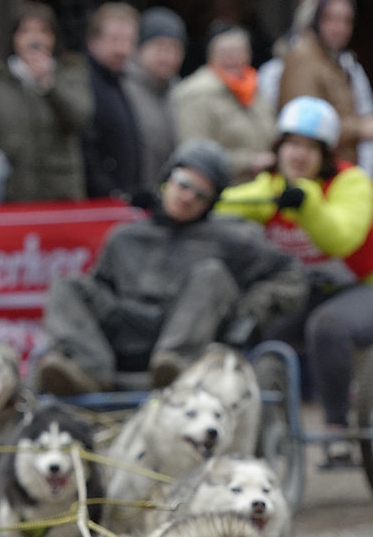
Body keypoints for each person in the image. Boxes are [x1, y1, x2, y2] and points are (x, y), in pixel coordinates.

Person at [216, 97, 373, 463]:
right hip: (314, 289)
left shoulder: (351, 183)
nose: (299, 154)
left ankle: (336, 430)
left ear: (325, 155)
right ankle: (260, 425)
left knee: (327, 326)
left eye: (311, 147)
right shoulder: (270, 188)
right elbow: (221, 203)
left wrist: (304, 201)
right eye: (292, 143)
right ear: (279, 148)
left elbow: (341, 237)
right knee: (256, 327)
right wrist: (175, 196)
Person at [35, 138, 306, 395]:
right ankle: (88, 371)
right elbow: (97, 290)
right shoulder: (125, 238)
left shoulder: (232, 239)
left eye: (200, 194)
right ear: (168, 180)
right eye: (183, 184)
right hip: (124, 331)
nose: (187, 197)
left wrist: (249, 309)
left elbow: (292, 276)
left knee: (211, 273)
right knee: (66, 285)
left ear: (210, 202)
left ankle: (174, 365)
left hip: (186, 333)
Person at [0, 2, 93, 203]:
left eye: (43, 31)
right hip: (11, 194)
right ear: (15, 38)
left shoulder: (70, 73)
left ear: (53, 38)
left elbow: (80, 118)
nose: (35, 39)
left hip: (60, 194)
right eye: (26, 31)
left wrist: (48, 85)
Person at [278, 0, 373, 177]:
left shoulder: (337, 60)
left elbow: (343, 112)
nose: (340, 28)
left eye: (347, 21)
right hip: (313, 174)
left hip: (337, 171)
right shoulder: (303, 58)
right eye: (331, 19)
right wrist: (362, 128)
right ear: (316, 19)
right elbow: (304, 126)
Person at [171, 27, 276, 184]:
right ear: (211, 56)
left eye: (238, 51)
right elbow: (193, 152)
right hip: (221, 190)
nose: (232, 58)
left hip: (261, 188)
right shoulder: (197, 94)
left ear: (249, 55)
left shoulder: (256, 90)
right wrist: (249, 162)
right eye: (224, 52)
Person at [80, 2, 142, 201]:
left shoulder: (121, 80)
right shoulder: (81, 81)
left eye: (128, 41)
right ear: (92, 41)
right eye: (114, 40)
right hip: (96, 204)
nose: (122, 49)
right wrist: (108, 192)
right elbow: (85, 147)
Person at [123, 7, 184, 194]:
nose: (166, 56)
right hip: (132, 193)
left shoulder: (181, 91)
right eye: (159, 47)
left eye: (173, 49)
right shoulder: (122, 86)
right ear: (139, 48)